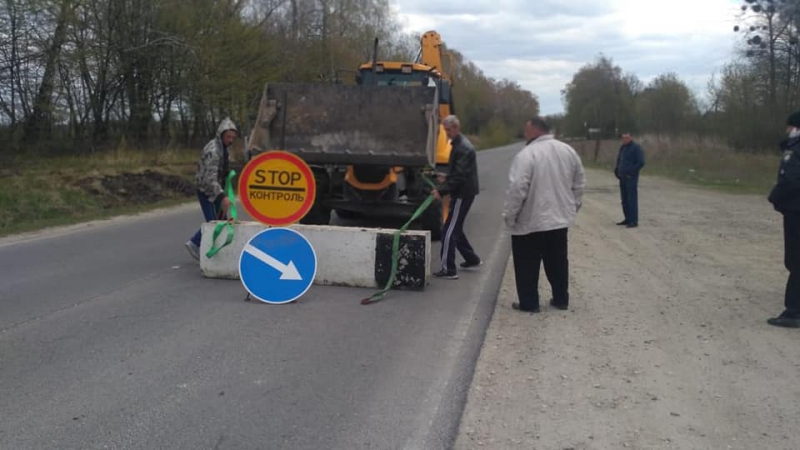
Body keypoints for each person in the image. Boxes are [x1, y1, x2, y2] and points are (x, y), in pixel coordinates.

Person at [503, 117, 585, 312]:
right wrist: (573, 207)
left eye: (526, 131)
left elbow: (517, 188)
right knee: (557, 261)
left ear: (535, 131)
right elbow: (579, 183)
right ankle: (560, 299)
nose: (524, 135)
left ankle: (529, 303)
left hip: (530, 220)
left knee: (526, 264)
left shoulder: (527, 154)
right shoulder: (568, 151)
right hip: (558, 220)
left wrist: (510, 216)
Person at [431, 115, 481, 279]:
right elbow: (458, 172)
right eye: (445, 130)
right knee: (456, 227)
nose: (447, 133)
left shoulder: (463, 148)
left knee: (448, 230)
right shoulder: (457, 144)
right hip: (463, 191)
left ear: (456, 128)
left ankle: (448, 269)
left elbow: (460, 176)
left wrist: (441, 191)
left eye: (448, 130)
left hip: (463, 194)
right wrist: (446, 177)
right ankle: (471, 259)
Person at [185, 118, 238, 260]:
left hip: (216, 188)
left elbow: (220, 169)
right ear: (221, 134)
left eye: (233, 137)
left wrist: (227, 174)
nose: (231, 140)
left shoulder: (224, 148)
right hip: (207, 190)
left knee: (221, 221)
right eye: (228, 136)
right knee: (214, 223)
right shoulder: (214, 150)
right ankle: (195, 244)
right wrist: (222, 197)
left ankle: (216, 249)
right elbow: (209, 178)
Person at [766, 110, 800, 328]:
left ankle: (794, 312)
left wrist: (774, 197)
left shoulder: (795, 151)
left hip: (796, 212)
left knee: (796, 260)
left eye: (789, 127)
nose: (787, 131)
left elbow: (790, 181)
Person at [614, 132, 645, 228]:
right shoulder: (623, 147)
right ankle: (627, 218)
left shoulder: (636, 148)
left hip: (631, 178)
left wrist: (631, 172)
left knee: (632, 199)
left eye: (627, 138)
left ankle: (633, 221)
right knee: (624, 200)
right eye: (623, 138)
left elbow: (641, 162)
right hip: (622, 177)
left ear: (631, 137)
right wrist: (617, 170)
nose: (625, 139)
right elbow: (619, 159)